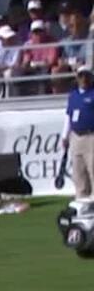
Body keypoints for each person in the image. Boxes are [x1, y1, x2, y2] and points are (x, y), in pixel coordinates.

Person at [63, 66, 94, 203]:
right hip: (76, 135)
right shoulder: (73, 95)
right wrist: (65, 135)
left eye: (86, 76)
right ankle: (81, 196)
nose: (84, 79)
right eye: (81, 76)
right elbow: (68, 116)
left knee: (92, 166)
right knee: (78, 169)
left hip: (91, 135)